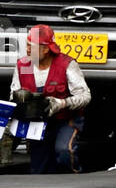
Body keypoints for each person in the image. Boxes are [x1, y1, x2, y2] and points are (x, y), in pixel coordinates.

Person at [10, 24, 91, 173]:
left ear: (46, 49)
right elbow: (14, 93)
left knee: (64, 151)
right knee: (38, 167)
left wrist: (62, 103)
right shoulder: (24, 65)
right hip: (38, 123)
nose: (27, 50)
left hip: (65, 119)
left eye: (31, 46)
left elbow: (85, 96)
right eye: (26, 45)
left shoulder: (66, 64)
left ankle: (75, 180)